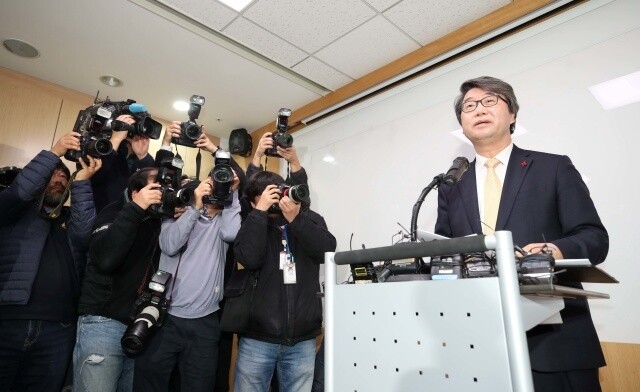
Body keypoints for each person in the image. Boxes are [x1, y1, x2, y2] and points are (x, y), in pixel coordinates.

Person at [435, 76, 608, 391]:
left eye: (490, 101)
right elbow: (441, 252)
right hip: (480, 341)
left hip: (553, 339)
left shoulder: (553, 168)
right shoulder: (450, 186)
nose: (478, 110)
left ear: (512, 114)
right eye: (469, 106)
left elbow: (595, 238)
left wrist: (553, 250)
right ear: (462, 123)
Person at [0, 132, 101, 391]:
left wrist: (82, 182)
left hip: (59, 328)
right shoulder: (15, 213)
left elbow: (85, 232)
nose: (59, 178)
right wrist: (53, 154)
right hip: (9, 322)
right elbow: (19, 192)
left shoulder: (69, 218)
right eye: (53, 174)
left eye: (63, 176)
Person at [133, 166, 242, 391]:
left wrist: (233, 192)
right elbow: (170, 246)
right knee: (150, 383)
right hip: (165, 318)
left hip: (205, 322)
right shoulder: (175, 212)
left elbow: (232, 233)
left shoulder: (223, 221)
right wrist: (194, 207)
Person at [232, 171, 337, 392]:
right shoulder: (252, 222)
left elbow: (327, 251)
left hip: (302, 338)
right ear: (253, 201)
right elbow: (249, 258)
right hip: (257, 338)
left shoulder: (309, 218)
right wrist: (259, 213)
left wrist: (296, 220)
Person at [73, 167, 164, 392]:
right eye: (155, 188)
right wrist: (135, 209)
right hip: (103, 323)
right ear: (135, 192)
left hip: (138, 329)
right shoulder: (114, 211)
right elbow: (104, 259)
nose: (160, 193)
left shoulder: (157, 221)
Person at [90, 114, 156, 213]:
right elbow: (95, 176)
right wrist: (115, 139)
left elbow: (149, 186)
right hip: (102, 218)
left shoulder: (143, 159)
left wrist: (143, 156)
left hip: (133, 219)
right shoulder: (99, 147)